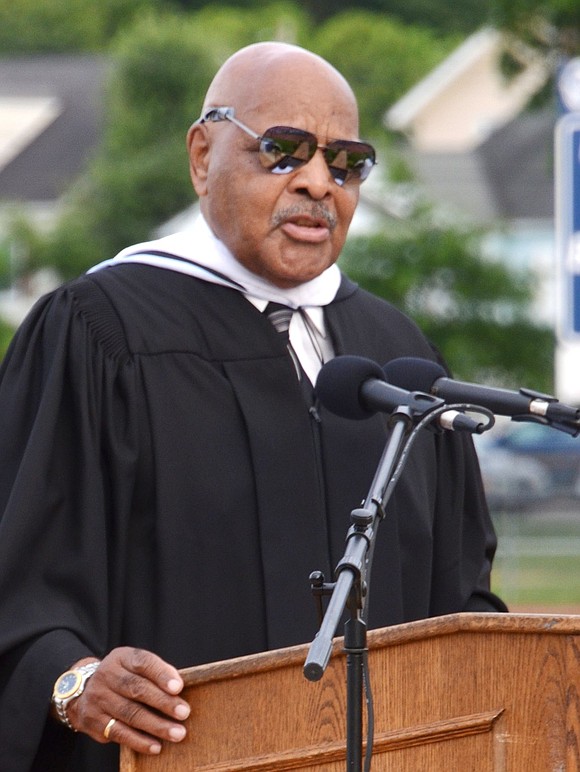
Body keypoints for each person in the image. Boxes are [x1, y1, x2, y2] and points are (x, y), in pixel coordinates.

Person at [0, 41, 506, 771]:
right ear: (202, 156)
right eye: (283, 150)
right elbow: (19, 579)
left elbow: (460, 594)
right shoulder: (99, 333)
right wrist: (71, 679)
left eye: (345, 162)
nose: (317, 183)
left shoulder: (397, 355)